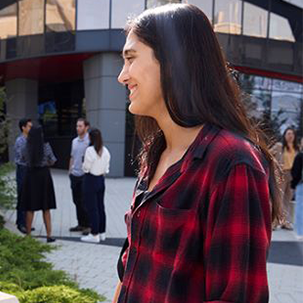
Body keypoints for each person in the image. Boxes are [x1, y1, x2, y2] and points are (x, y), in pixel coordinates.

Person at [113, 4, 281, 303]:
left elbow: (237, 297)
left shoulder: (232, 163)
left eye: (130, 59)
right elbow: (130, 274)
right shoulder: (155, 153)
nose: (122, 76)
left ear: (174, 61)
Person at [19, 125, 57, 243]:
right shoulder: (46, 146)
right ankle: (49, 235)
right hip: (44, 177)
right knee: (46, 207)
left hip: (30, 177)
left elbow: (23, 159)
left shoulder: (26, 147)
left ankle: (29, 234)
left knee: (30, 207)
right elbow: (53, 160)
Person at [80, 128, 110, 243]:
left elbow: (86, 168)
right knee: (100, 207)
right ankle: (102, 233)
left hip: (90, 180)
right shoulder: (106, 151)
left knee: (92, 208)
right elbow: (106, 169)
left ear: (90, 137)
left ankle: (94, 234)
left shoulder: (89, 150)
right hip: (101, 180)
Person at [271, 127, 298, 230]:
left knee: (288, 199)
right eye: (288, 134)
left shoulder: (297, 148)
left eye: (292, 134)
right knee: (279, 199)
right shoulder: (279, 146)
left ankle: (285, 222)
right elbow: (268, 153)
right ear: (285, 135)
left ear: (294, 136)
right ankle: (274, 222)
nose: (290, 136)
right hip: (282, 174)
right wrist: (276, 165)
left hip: (293, 175)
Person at [68, 118, 91, 235]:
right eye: (77, 126)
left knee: (84, 201)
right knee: (76, 201)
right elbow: (72, 156)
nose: (78, 128)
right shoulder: (74, 141)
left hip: (84, 175)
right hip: (74, 175)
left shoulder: (90, 141)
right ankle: (80, 224)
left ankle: (88, 225)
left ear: (86, 127)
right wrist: (70, 171)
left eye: (80, 126)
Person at [14, 118, 33, 234]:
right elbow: (23, 156)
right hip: (22, 169)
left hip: (29, 169)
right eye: (29, 126)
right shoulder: (20, 141)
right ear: (23, 128)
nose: (31, 128)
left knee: (28, 196)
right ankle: (21, 223)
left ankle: (27, 222)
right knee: (22, 195)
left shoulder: (30, 140)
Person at [290, 151, 303, 240]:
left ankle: (300, 232)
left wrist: (293, 185)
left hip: (301, 184)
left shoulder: (300, 156)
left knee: (300, 208)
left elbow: (295, 171)